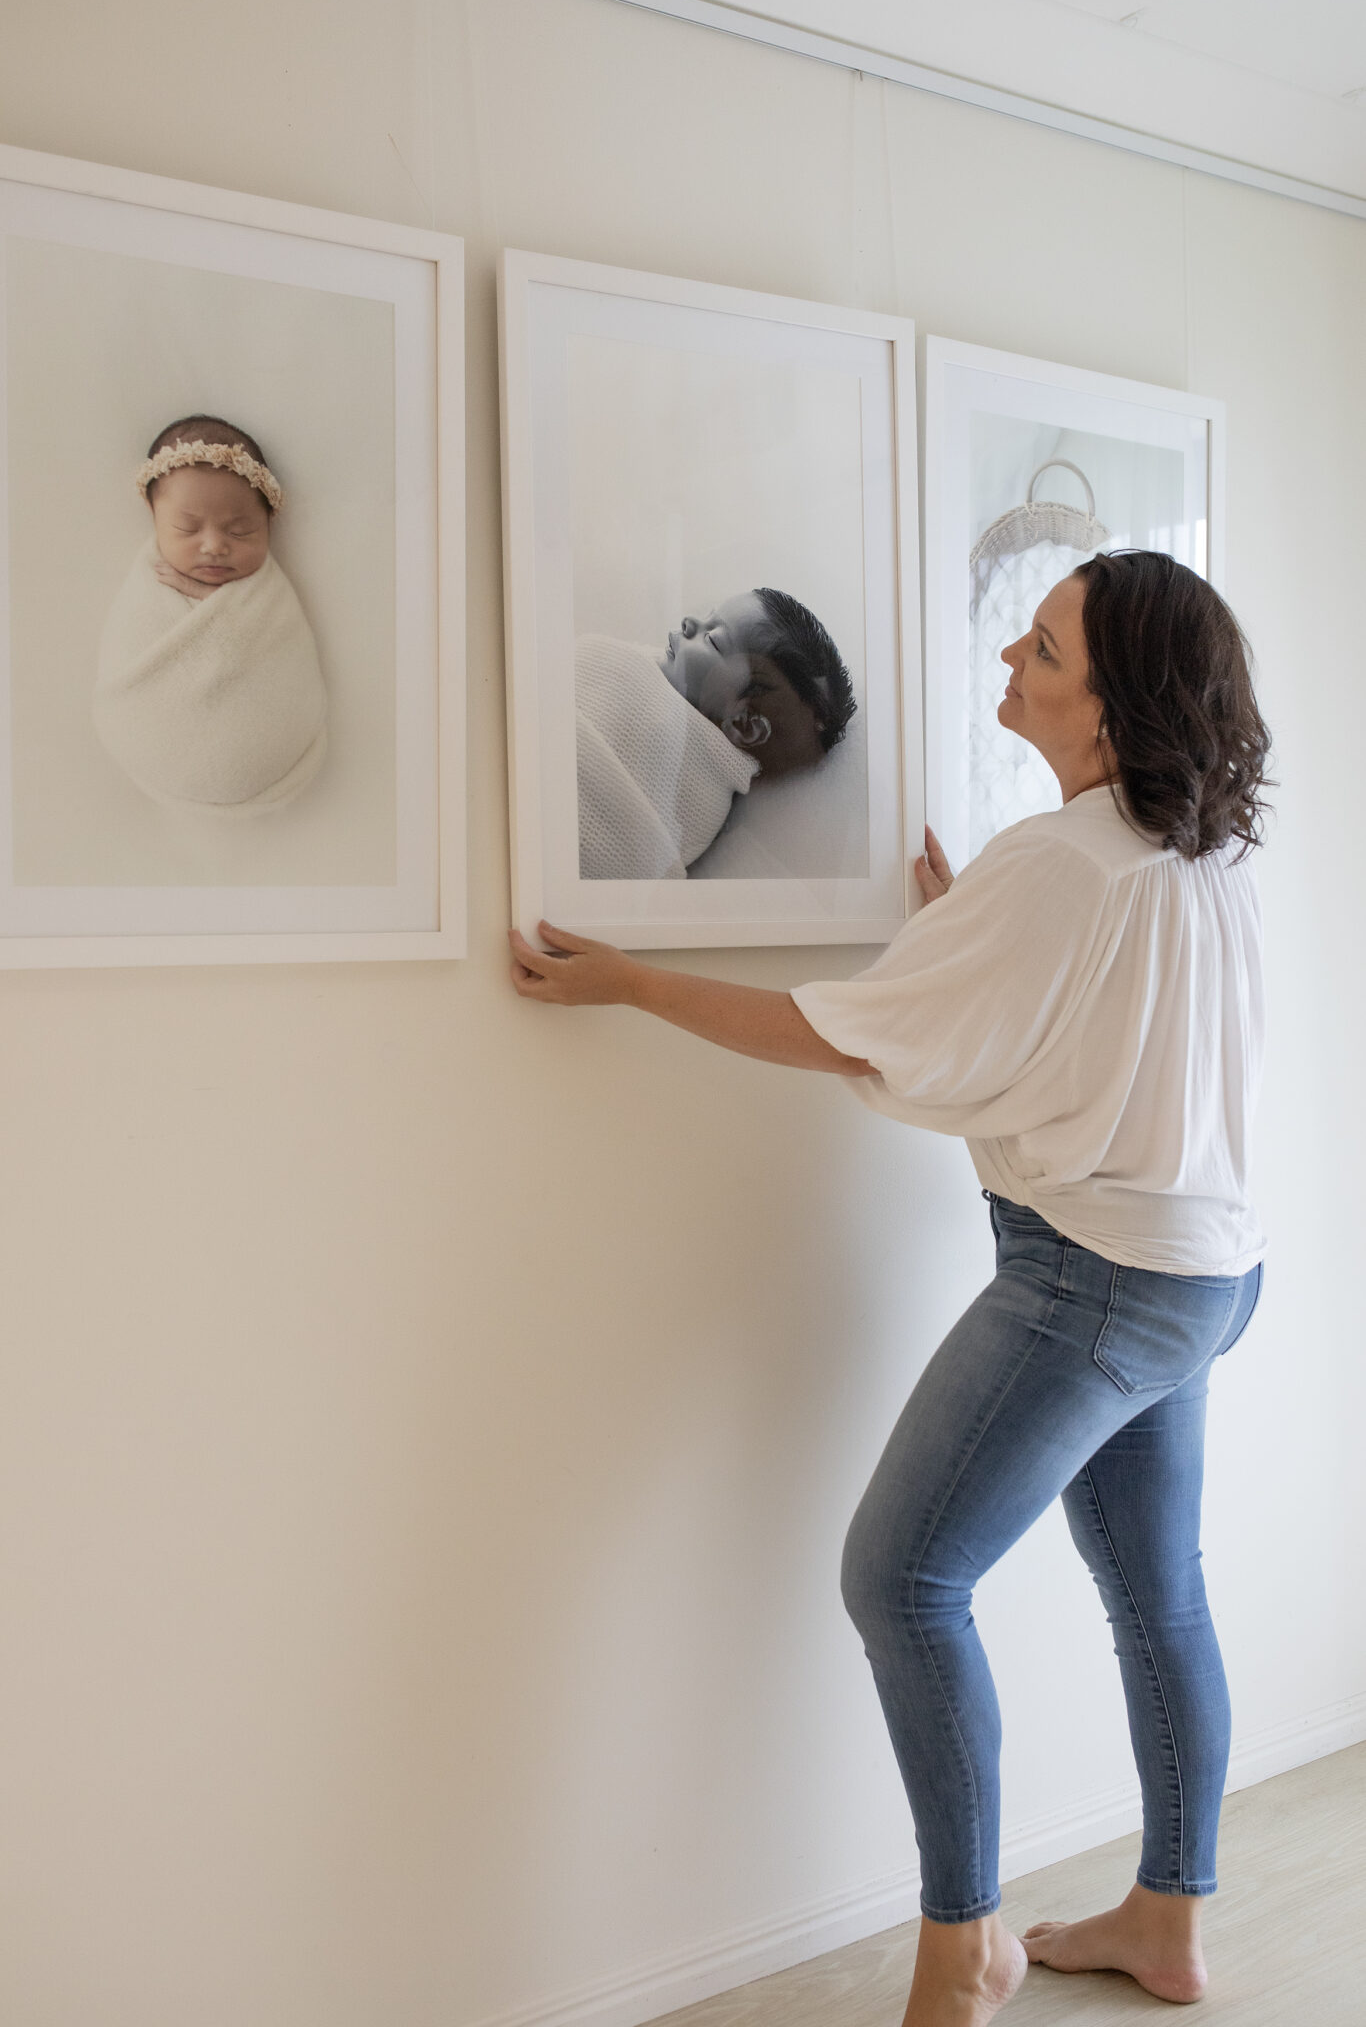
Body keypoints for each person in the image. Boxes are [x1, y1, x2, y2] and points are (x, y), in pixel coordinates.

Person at [510, 550, 1272, 2027]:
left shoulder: (1060, 864)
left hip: (1096, 1282)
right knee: (1155, 1594)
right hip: (1209, 1273)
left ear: (1111, 711)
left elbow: (849, 1035)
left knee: (901, 1578)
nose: (1007, 664)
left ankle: (960, 1944)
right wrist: (959, 930)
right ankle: (1169, 1920)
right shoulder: (1200, 844)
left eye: (1041, 654)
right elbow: (1068, 1012)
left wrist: (637, 984)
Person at [93, 415, 328, 817]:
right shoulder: (149, 584)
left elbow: (273, 643)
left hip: (268, 745)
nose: (215, 546)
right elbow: (127, 657)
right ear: (154, 518)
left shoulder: (270, 594)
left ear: (269, 524)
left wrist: (206, 597)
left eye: (240, 532)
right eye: (187, 529)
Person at [575, 586, 857, 878]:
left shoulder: (701, 797)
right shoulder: (642, 665)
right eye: (707, 616)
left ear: (743, 724)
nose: (688, 623)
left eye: (712, 639)